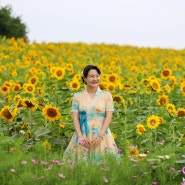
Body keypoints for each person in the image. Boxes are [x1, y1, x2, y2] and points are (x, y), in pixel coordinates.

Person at [63, 65, 119, 162]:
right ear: (84, 78)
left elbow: (109, 116)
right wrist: (80, 137)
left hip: (102, 134)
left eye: (97, 76)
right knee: (80, 165)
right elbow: (76, 118)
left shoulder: (106, 95)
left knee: (104, 165)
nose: (95, 79)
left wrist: (100, 136)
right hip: (83, 134)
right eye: (91, 76)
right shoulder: (78, 96)